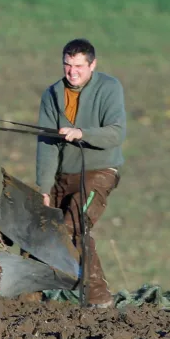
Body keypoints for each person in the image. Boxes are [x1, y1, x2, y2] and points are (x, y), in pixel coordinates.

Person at [36, 39, 126, 307]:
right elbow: (47, 144)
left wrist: (82, 134)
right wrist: (43, 187)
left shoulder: (109, 88)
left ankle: (98, 298)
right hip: (63, 176)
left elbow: (116, 133)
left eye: (78, 66)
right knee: (39, 229)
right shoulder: (51, 94)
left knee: (74, 226)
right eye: (67, 65)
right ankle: (26, 301)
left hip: (99, 172)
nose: (72, 72)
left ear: (92, 65)